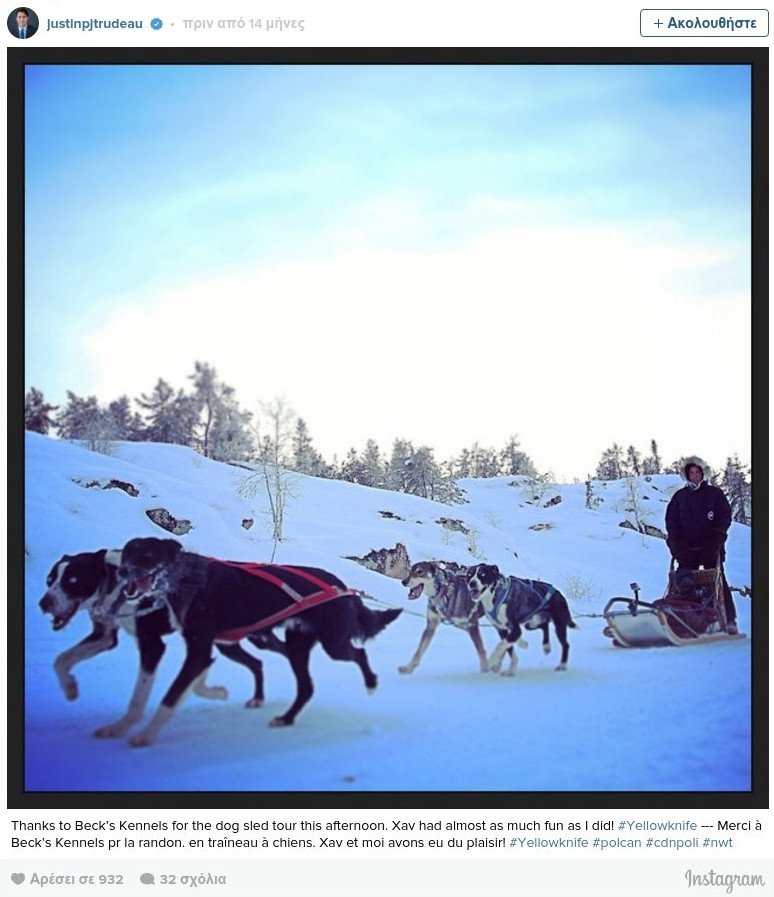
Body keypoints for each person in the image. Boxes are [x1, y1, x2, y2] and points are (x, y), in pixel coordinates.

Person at [665, 456, 737, 634]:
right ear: (686, 475)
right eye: (691, 473)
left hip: (711, 548)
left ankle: (729, 620)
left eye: (698, 472)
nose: (695, 476)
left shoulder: (714, 494)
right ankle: (683, 619)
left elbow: (724, 517)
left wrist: (716, 539)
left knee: (719, 581)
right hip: (686, 550)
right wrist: (677, 544)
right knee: (683, 582)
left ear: (703, 474)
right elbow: (671, 521)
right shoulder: (680, 497)